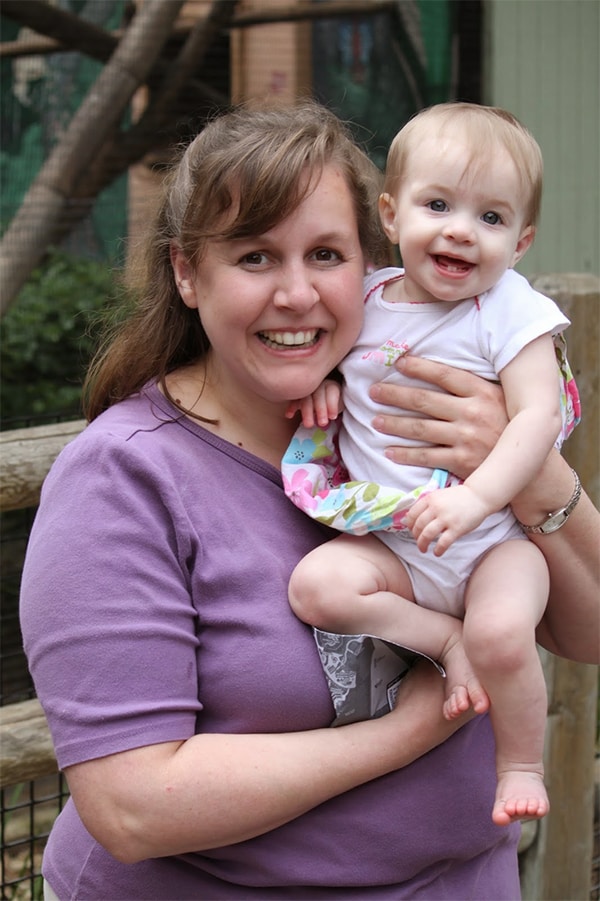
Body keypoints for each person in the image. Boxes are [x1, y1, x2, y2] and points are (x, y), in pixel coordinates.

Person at [18, 102, 599, 901]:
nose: (298, 293)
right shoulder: (124, 478)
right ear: (188, 272)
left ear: (372, 259)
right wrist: (417, 724)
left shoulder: (440, 417)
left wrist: (533, 477)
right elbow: (133, 806)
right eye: (256, 257)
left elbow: (589, 630)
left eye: (326, 253)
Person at [282, 103, 582, 827]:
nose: (459, 229)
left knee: (503, 635)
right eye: (438, 204)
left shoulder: (511, 311)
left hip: (491, 546)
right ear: (390, 213)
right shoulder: (371, 298)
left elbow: (539, 416)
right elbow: (336, 361)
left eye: (490, 217)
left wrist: (477, 501)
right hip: (399, 547)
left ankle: (518, 763)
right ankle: (442, 639)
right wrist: (325, 388)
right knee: (318, 584)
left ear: (521, 241)